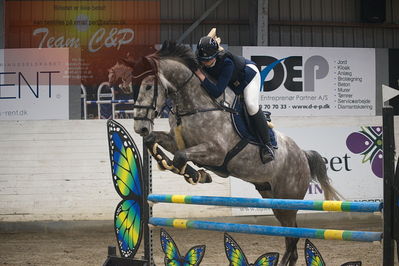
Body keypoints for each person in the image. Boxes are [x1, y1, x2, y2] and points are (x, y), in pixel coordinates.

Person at [194, 36, 274, 163]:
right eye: (202, 60)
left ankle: (267, 145)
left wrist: (200, 75)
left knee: (251, 106)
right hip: (233, 82)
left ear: (214, 56)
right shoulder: (202, 59)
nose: (203, 63)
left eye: (207, 60)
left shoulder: (227, 63)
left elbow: (216, 91)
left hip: (248, 76)